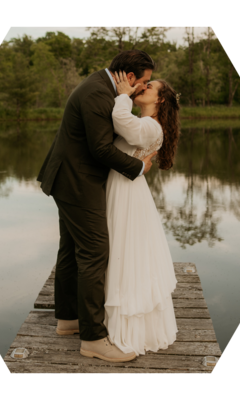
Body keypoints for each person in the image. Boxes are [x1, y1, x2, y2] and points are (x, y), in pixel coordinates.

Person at [37, 50, 168, 363]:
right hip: (78, 181)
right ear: (131, 77)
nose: (143, 87)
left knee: (71, 249)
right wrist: (139, 169)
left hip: (69, 179)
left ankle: (69, 319)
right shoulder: (99, 92)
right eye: (145, 81)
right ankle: (94, 339)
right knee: (95, 252)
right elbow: (100, 149)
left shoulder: (101, 86)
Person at [103, 70, 181, 356]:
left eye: (149, 87)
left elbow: (122, 123)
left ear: (159, 99)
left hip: (126, 193)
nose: (142, 87)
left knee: (126, 252)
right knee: (124, 251)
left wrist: (123, 95)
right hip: (125, 189)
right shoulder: (147, 122)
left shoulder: (151, 126)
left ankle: (125, 330)